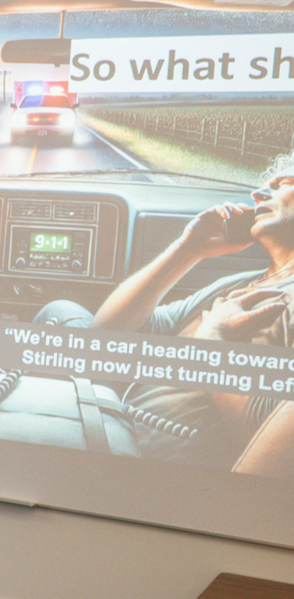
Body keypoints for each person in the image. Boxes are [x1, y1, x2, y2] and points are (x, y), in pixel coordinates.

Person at [89, 155, 294, 476]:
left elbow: (269, 447)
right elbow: (106, 335)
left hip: (140, 462)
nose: (257, 195)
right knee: (63, 314)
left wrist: (211, 343)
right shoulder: (239, 284)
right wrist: (189, 248)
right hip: (109, 425)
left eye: (284, 184)